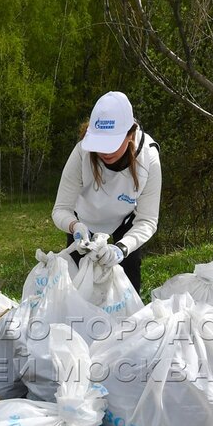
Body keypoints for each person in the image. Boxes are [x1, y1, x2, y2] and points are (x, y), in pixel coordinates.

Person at [51, 91, 161, 293]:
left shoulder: (148, 158)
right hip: (83, 223)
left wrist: (121, 248)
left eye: (112, 144)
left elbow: (147, 220)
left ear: (130, 134)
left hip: (125, 224)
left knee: (128, 285)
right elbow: (60, 209)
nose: (105, 152)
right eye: (100, 145)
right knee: (78, 287)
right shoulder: (82, 152)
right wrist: (75, 226)